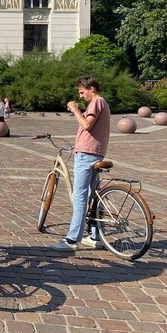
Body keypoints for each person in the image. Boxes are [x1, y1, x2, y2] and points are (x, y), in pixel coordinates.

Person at [52, 75, 110, 251]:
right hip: (95, 152)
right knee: (93, 196)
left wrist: (75, 109)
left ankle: (72, 240)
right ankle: (95, 235)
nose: (81, 96)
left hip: (87, 154)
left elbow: (86, 125)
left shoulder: (96, 102)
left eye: (82, 92)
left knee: (80, 197)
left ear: (91, 88)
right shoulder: (102, 103)